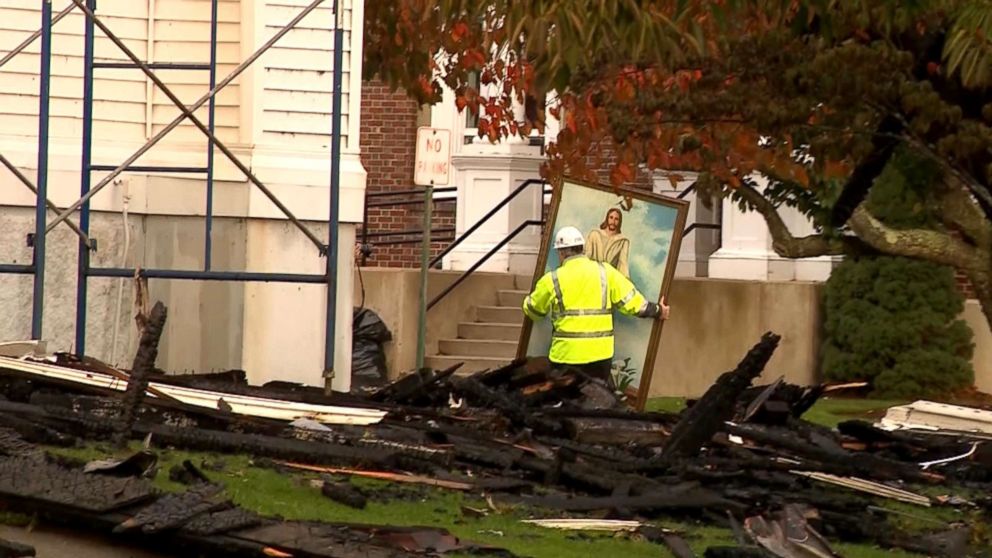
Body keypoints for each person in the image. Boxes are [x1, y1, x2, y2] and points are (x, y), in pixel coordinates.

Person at [522, 226, 669, 383]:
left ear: (561, 252)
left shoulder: (552, 279)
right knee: (598, 401)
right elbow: (634, 303)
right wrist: (659, 310)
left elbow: (533, 310)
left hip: (565, 356)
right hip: (600, 357)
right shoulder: (605, 271)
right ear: (582, 248)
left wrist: (527, 301)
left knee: (567, 404)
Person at [585, 207, 631, 278]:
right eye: (611, 217)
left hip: (609, 278)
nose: (613, 221)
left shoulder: (623, 241)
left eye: (616, 219)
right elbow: (586, 256)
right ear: (607, 219)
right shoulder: (595, 234)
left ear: (619, 222)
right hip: (592, 275)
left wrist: (626, 281)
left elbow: (623, 264)